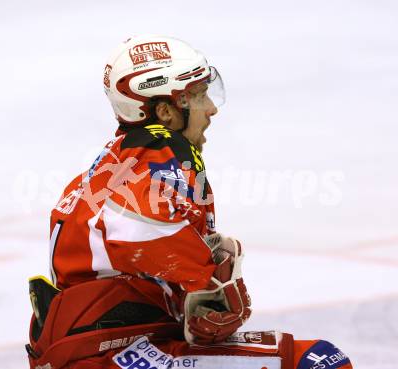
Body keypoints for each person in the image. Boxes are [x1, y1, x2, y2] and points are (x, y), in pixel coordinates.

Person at [26, 35, 352, 369]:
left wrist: (193, 289)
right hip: (105, 356)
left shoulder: (119, 160)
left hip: (108, 346)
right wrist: (206, 278)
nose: (211, 108)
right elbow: (133, 226)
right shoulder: (160, 164)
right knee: (319, 361)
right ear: (166, 111)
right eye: (197, 96)